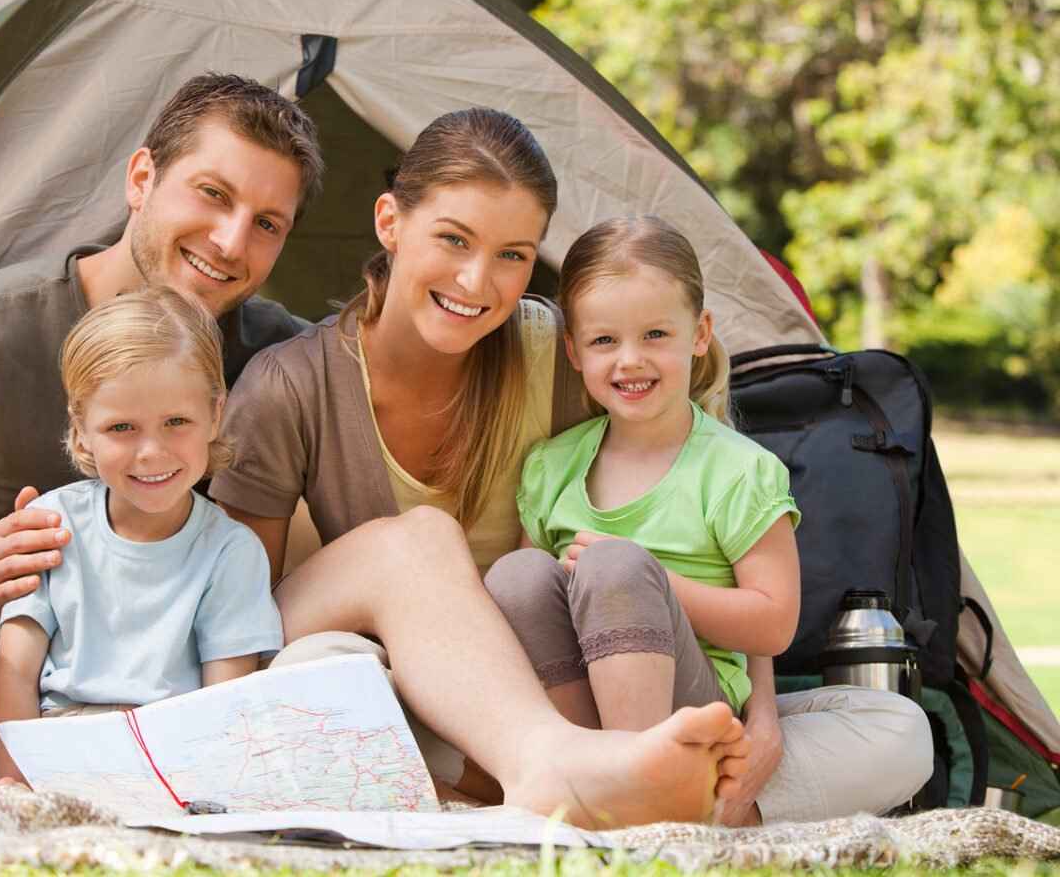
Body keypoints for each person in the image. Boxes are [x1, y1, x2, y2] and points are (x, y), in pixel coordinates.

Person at [211, 109, 934, 826]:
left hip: (596, 685)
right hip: (435, 695)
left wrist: (766, 718)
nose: (476, 281)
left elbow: (719, 546)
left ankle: (548, 795)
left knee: (895, 729)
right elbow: (242, 617)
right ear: (390, 222)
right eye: (453, 239)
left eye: (513, 255)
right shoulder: (291, 387)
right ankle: (621, 792)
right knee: (327, 662)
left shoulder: (563, 353)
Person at [0, 72, 321, 834]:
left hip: (140, 693)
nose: (231, 242)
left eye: (267, 223)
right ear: (142, 178)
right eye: (212, 194)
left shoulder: (276, 361)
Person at [485, 216, 799, 735]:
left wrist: (655, 581)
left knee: (616, 567)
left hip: (692, 701)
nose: (630, 361)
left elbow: (775, 625)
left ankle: (640, 772)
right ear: (574, 352)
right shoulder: (552, 466)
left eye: (655, 335)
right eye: (604, 340)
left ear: (699, 335)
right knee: (516, 575)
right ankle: (579, 762)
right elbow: (532, 607)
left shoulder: (739, 471)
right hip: (579, 697)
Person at [0, 289, 283, 783]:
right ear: (81, 430)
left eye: (176, 422)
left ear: (215, 413)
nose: (151, 452)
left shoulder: (230, 552)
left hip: (173, 756)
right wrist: (14, 787)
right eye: (122, 427)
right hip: (58, 741)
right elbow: (16, 672)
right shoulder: (51, 525)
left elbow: (224, 704)